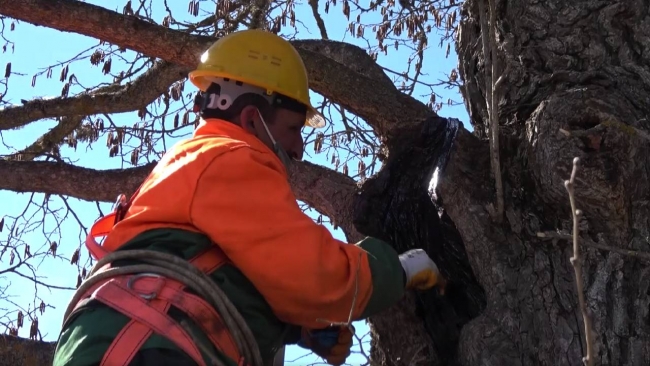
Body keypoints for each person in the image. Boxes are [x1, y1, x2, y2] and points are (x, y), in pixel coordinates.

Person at [52, 29, 444, 366]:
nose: (298, 148)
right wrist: (397, 269)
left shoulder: (193, 162)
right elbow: (315, 275)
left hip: (125, 342)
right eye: (293, 128)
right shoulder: (231, 158)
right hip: (145, 348)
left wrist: (295, 328)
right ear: (253, 119)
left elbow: (217, 266)